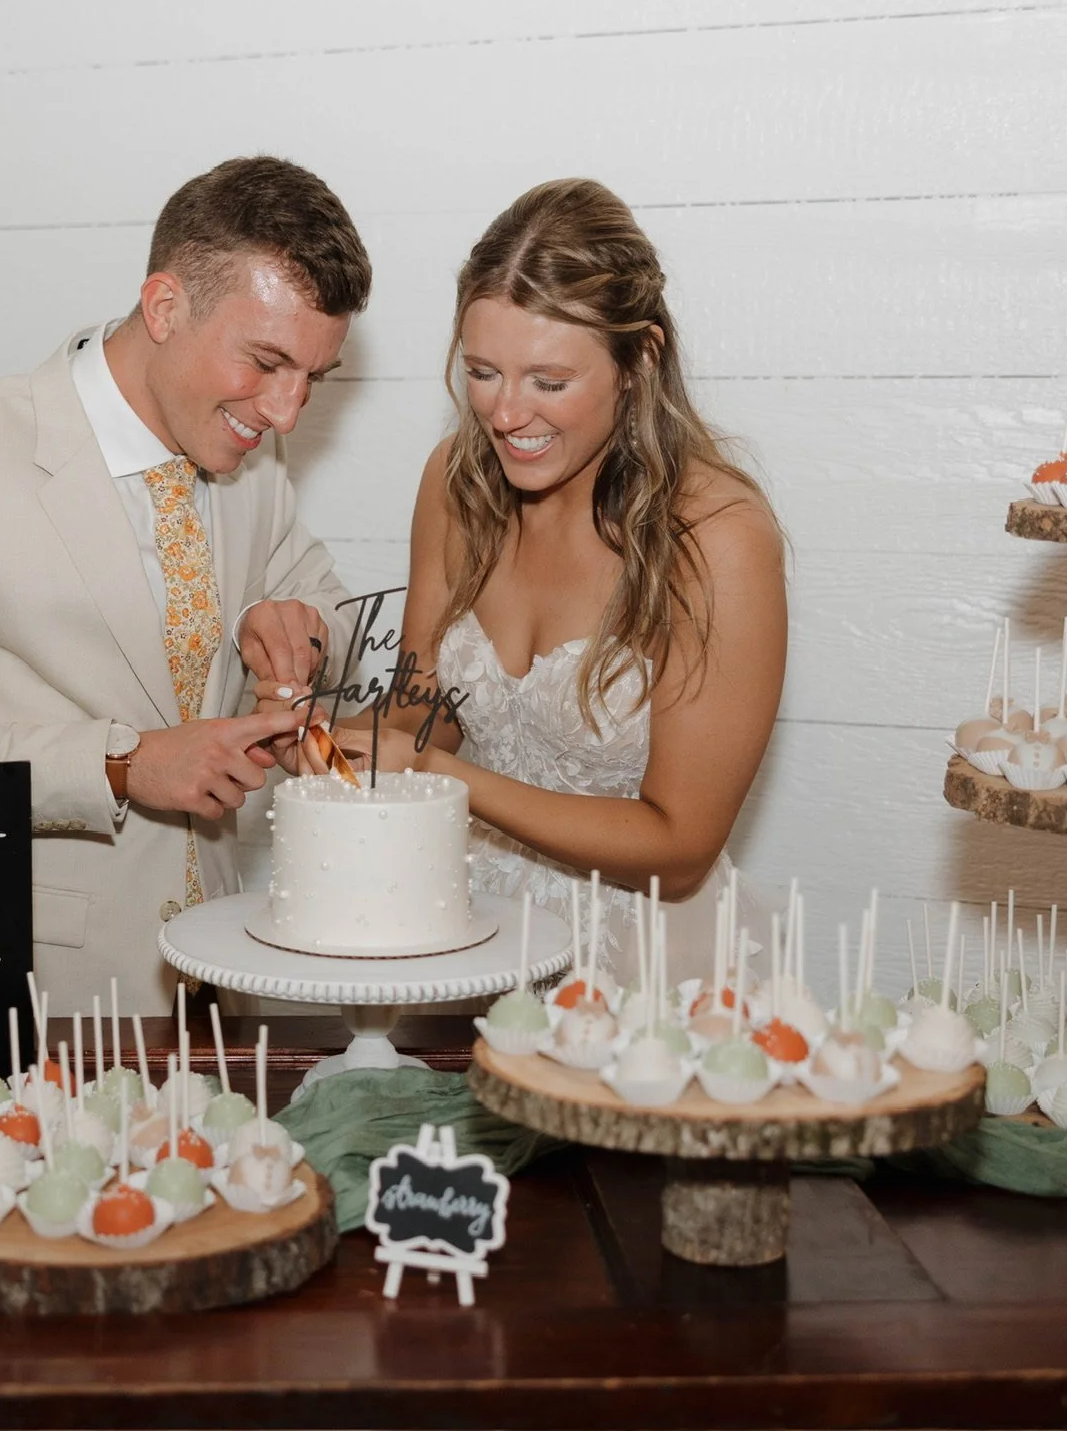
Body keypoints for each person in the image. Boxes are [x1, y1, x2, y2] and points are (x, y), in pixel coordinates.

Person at [0, 156, 368, 1010]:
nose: (287, 410)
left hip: (228, 982)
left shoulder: (252, 448)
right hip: (40, 999)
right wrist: (121, 764)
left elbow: (325, 602)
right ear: (164, 307)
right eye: (265, 362)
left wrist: (298, 625)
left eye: (312, 378)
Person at [274, 179, 786, 985]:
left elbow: (681, 847)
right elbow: (423, 712)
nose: (507, 414)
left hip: (643, 969)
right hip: (467, 938)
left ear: (638, 360)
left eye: (549, 382)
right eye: (483, 372)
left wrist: (440, 776)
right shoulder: (455, 483)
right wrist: (327, 734)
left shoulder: (716, 537)